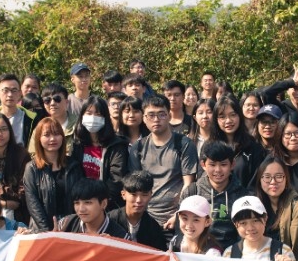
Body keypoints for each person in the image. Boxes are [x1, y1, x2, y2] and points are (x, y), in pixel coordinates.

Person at [128, 95, 197, 240]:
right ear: (144, 118)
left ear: (169, 115)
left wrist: (179, 214)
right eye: (151, 115)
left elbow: (188, 184)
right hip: (146, 218)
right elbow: (136, 186)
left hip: (176, 219)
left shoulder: (184, 144)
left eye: (161, 114)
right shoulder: (138, 148)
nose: (156, 119)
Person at [178, 141, 250, 250]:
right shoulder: (192, 192)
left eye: (223, 164)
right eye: (212, 164)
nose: (218, 170)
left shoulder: (243, 195)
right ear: (203, 165)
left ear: (232, 165)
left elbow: (246, 231)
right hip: (199, 252)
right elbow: (180, 229)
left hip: (231, 254)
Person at [71, 95, 129, 207]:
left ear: (105, 117)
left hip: (106, 204)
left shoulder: (116, 145)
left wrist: (99, 202)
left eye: (98, 114)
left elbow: (116, 179)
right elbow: (75, 175)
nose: (93, 117)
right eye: (89, 113)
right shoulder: (77, 144)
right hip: (81, 203)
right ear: (82, 116)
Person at [24, 117, 76, 232]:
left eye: (57, 134)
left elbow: (78, 198)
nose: (52, 139)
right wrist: (47, 231)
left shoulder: (73, 165)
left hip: (70, 227)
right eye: (46, 135)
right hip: (41, 229)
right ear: (38, 138)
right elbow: (33, 203)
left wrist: (70, 224)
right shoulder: (31, 168)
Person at [255, 156, 298, 253]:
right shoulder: (255, 206)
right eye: (267, 177)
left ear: (286, 178)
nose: (273, 182)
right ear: (260, 180)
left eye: (279, 176)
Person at [208, 96, 267, 189]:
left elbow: (256, 182)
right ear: (216, 120)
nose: (228, 121)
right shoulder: (209, 146)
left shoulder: (253, 146)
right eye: (222, 117)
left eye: (233, 115)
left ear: (240, 116)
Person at [107, 171, 167, 250]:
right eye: (133, 195)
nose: (139, 200)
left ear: (150, 195)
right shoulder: (109, 219)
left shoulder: (153, 227)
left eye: (144, 195)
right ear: (123, 195)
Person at [0, 73, 37, 146]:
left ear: (20, 93)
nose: (10, 95)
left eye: (14, 90)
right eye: (5, 90)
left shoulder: (32, 118)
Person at [40, 83, 78, 155]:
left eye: (57, 99)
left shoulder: (79, 124)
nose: (52, 103)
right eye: (47, 100)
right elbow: (34, 153)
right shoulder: (41, 127)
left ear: (67, 102)